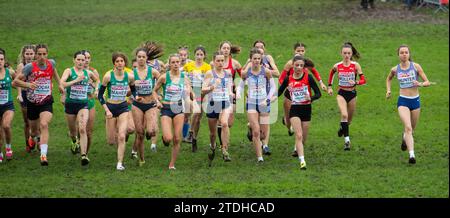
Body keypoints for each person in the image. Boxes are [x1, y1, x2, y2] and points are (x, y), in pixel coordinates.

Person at [13, 44, 64, 166]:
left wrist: (60, 84)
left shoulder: (51, 63)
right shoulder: (30, 67)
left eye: (44, 54)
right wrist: (28, 85)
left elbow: (54, 73)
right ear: (36, 55)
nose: (42, 57)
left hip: (46, 101)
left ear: (47, 54)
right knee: (34, 132)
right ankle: (31, 137)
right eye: (39, 54)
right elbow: (15, 82)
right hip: (32, 103)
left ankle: (43, 155)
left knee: (44, 124)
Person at [386, 45, 431, 164]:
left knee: (411, 129)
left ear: (409, 54)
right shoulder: (395, 69)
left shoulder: (416, 67)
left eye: (406, 52)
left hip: (415, 101)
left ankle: (404, 138)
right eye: (402, 52)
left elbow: (427, 82)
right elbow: (389, 79)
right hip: (403, 101)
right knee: (408, 127)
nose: (404, 54)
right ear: (398, 55)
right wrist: (388, 90)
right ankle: (412, 155)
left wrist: (420, 84)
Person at [278, 55, 321, 169]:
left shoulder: (309, 78)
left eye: (301, 65)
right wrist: (268, 100)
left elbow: (318, 94)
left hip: (306, 109)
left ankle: (298, 150)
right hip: (295, 109)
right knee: (299, 134)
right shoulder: (288, 79)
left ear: (303, 67)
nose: (299, 67)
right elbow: (279, 92)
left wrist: (310, 98)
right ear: (292, 66)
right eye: (297, 65)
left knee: (303, 138)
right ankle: (302, 161)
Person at [279, 42, 326, 143]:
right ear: (294, 51)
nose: (300, 53)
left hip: (303, 95)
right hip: (290, 95)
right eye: (298, 51)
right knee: (288, 121)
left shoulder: (305, 63)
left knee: (301, 121)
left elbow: (314, 71)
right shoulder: (289, 63)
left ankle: (298, 143)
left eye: (302, 51)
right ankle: (288, 126)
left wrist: (321, 83)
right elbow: (281, 79)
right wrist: (288, 86)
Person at [153, 54, 192, 170]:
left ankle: (172, 164)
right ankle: (164, 139)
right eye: (173, 62)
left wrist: (190, 94)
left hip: (178, 108)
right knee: (168, 138)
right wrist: (157, 101)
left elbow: (190, 91)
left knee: (177, 138)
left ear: (180, 63)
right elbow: (154, 91)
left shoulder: (184, 78)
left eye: (177, 62)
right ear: (169, 64)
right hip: (166, 108)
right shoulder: (164, 77)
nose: (175, 64)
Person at [98, 52, 136, 171]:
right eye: (117, 61)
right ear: (114, 63)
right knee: (111, 141)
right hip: (110, 107)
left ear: (125, 63)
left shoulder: (129, 76)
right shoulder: (108, 76)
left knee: (121, 136)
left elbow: (134, 91)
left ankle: (119, 163)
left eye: (122, 61)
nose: (120, 63)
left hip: (123, 108)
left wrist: (132, 98)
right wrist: (106, 110)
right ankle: (117, 148)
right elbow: (100, 96)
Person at [236, 48, 276, 162]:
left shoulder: (266, 71)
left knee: (263, 135)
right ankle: (260, 158)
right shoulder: (246, 73)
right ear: (251, 60)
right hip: (251, 103)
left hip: (264, 103)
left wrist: (267, 100)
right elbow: (240, 85)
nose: (257, 61)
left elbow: (273, 87)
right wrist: (238, 93)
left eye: (259, 58)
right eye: (255, 59)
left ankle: (250, 128)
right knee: (257, 132)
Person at [60, 51, 98, 165]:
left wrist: (95, 89)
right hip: (70, 104)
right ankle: (74, 141)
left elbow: (97, 80)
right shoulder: (69, 71)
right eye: (79, 60)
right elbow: (62, 83)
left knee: (82, 128)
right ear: (74, 60)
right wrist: (76, 80)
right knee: (73, 132)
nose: (81, 62)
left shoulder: (88, 73)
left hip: (83, 104)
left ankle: (83, 155)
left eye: (83, 60)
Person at [327, 42, 366, 151]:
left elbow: (364, 80)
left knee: (348, 121)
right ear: (341, 53)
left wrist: (356, 82)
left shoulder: (355, 65)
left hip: (352, 94)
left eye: (348, 53)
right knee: (344, 115)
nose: (347, 55)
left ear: (351, 53)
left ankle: (342, 128)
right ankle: (347, 141)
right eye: (344, 53)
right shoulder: (337, 66)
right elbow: (331, 73)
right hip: (341, 94)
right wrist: (329, 87)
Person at [131, 48, 160, 166]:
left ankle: (149, 133)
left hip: (150, 104)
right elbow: (128, 88)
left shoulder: (153, 71)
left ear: (147, 58)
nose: (141, 59)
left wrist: (159, 95)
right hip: (137, 105)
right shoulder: (131, 73)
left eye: (143, 57)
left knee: (152, 131)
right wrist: (134, 96)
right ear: (136, 58)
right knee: (140, 133)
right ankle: (142, 159)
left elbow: (163, 81)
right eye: (139, 57)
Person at [202, 51, 233, 163]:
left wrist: (232, 95)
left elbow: (230, 88)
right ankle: (213, 145)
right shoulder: (210, 73)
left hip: (224, 102)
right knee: (212, 133)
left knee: (224, 123)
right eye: (218, 61)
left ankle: (225, 150)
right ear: (214, 61)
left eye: (222, 61)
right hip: (212, 103)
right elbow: (202, 89)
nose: (220, 63)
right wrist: (212, 87)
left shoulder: (228, 73)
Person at [214, 41, 242, 149]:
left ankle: (223, 139)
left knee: (229, 122)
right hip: (218, 93)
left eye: (228, 48)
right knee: (221, 120)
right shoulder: (214, 63)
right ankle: (223, 145)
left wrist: (238, 89)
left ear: (230, 50)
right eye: (224, 48)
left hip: (231, 93)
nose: (226, 50)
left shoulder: (235, 63)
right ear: (220, 49)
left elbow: (243, 77)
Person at [183, 46, 211, 152]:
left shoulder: (207, 67)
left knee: (198, 118)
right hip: (192, 91)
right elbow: (182, 75)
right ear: (194, 55)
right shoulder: (188, 65)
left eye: (201, 54)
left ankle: (194, 138)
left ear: (204, 56)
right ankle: (190, 132)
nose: (199, 56)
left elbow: (208, 80)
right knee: (196, 111)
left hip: (203, 92)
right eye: (197, 54)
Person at [143, 41, 165, 152]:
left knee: (155, 119)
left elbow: (163, 77)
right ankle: (148, 131)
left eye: (153, 48)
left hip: (156, 93)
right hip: (144, 95)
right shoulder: (142, 62)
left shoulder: (159, 63)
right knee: (147, 121)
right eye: (149, 48)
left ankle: (153, 145)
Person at [15, 44, 36, 152]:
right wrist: (19, 94)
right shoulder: (21, 66)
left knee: (37, 119)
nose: (29, 56)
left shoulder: (37, 65)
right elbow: (18, 82)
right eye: (27, 54)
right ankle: (27, 143)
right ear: (23, 54)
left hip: (36, 94)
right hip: (24, 94)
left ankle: (38, 140)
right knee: (27, 121)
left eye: (31, 54)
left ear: (34, 54)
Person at [81, 50, 100, 157]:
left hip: (90, 101)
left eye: (88, 58)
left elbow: (99, 86)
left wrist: (93, 86)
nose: (86, 60)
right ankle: (75, 140)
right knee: (79, 129)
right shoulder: (73, 71)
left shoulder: (93, 72)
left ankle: (85, 154)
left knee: (88, 132)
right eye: (84, 58)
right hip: (76, 102)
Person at [0, 50, 16, 162]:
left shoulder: (10, 72)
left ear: (4, 61)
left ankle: (8, 147)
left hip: (8, 105)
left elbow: (18, 82)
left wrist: (20, 93)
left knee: (6, 126)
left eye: (1, 59)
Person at [178, 46, 194, 143]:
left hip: (189, 91)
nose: (183, 57)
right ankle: (180, 135)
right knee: (179, 114)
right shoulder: (173, 64)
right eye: (181, 55)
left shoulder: (191, 64)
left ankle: (186, 135)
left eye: (185, 55)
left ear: (187, 55)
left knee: (188, 113)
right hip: (177, 92)